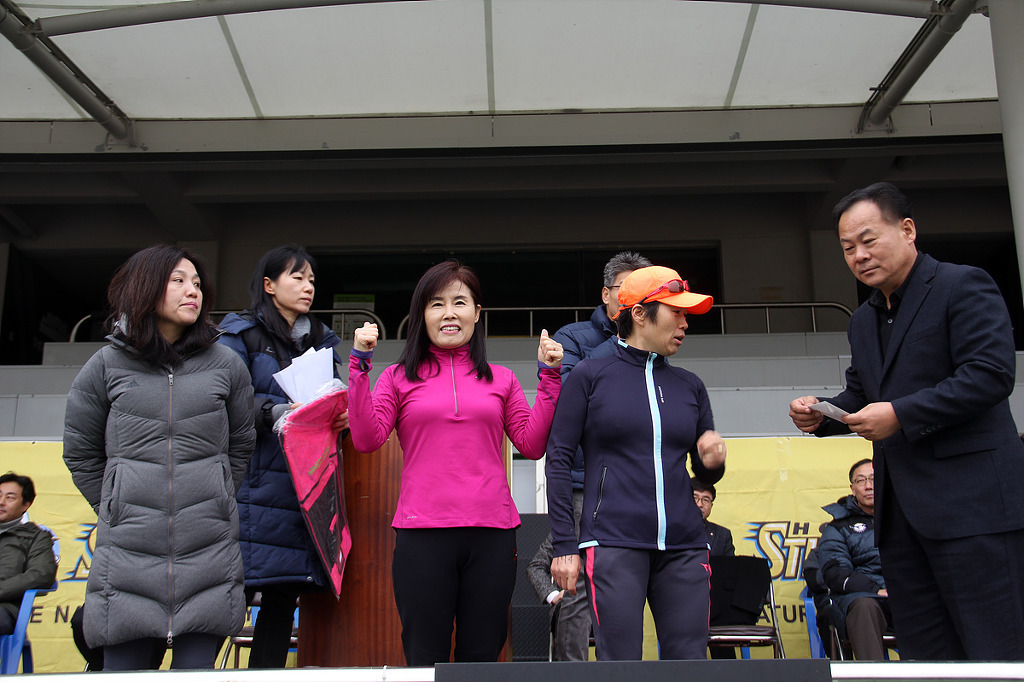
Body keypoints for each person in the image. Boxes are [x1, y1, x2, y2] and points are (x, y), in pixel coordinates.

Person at [788, 182, 1024, 660]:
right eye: (848, 248)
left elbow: (990, 374)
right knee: (927, 655)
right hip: (901, 523)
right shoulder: (863, 320)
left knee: (996, 649)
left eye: (868, 240)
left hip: (974, 510)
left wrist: (900, 414)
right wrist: (823, 415)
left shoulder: (963, 285)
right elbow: (862, 395)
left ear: (908, 230)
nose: (859, 256)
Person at [347, 260, 563, 666]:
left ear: (477, 313)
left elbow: (532, 444)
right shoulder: (396, 377)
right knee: (424, 655)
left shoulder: (502, 379)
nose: (449, 313)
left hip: (492, 534)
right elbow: (366, 439)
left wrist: (550, 377)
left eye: (459, 302)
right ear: (422, 315)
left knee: (481, 655)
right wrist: (359, 365)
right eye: (436, 304)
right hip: (422, 534)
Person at [63, 245, 256, 670]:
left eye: (198, 284)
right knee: (124, 674)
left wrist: (217, 497)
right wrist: (115, 505)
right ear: (145, 288)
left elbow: (242, 443)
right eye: (179, 281)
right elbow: (80, 449)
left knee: (196, 675)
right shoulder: (105, 365)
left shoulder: (227, 365)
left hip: (208, 551)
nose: (193, 291)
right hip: (127, 553)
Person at [547, 265, 726, 661]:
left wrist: (712, 462)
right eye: (676, 312)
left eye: (686, 314)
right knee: (620, 664)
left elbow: (704, 473)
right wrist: (564, 545)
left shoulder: (690, 385)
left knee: (690, 664)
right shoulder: (590, 375)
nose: (685, 323)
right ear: (641, 314)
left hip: (684, 545)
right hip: (613, 541)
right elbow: (558, 459)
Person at [218, 245, 348, 669]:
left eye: (312, 280)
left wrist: (342, 414)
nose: (308, 287)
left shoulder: (321, 341)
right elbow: (222, 398)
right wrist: (273, 412)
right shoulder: (239, 334)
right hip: (250, 488)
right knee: (223, 603)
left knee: (281, 600)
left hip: (301, 489)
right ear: (269, 285)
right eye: (297, 277)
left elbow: (333, 395)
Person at [530, 251, 652, 662]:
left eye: (644, 292)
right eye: (626, 289)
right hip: (586, 485)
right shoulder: (574, 338)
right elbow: (566, 400)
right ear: (606, 294)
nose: (636, 300)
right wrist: (624, 345)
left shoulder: (656, 344)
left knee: (627, 588)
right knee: (578, 590)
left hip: (635, 488)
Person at [817, 459, 891, 660]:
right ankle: (873, 675)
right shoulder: (838, 528)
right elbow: (835, 572)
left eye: (874, 479)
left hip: (905, 595)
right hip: (864, 598)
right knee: (864, 606)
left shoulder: (905, 517)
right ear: (853, 489)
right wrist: (875, 589)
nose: (868, 486)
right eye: (861, 480)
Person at [0, 473, 57, 637]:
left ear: (26, 504)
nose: (1, 502)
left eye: (10, 498)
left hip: (5, 608)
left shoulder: (36, 537)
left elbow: (41, 575)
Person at [691, 478, 734, 557]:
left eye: (705, 500)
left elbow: (729, 564)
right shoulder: (670, 529)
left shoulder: (722, 535)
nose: (700, 504)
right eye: (694, 498)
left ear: (711, 505)